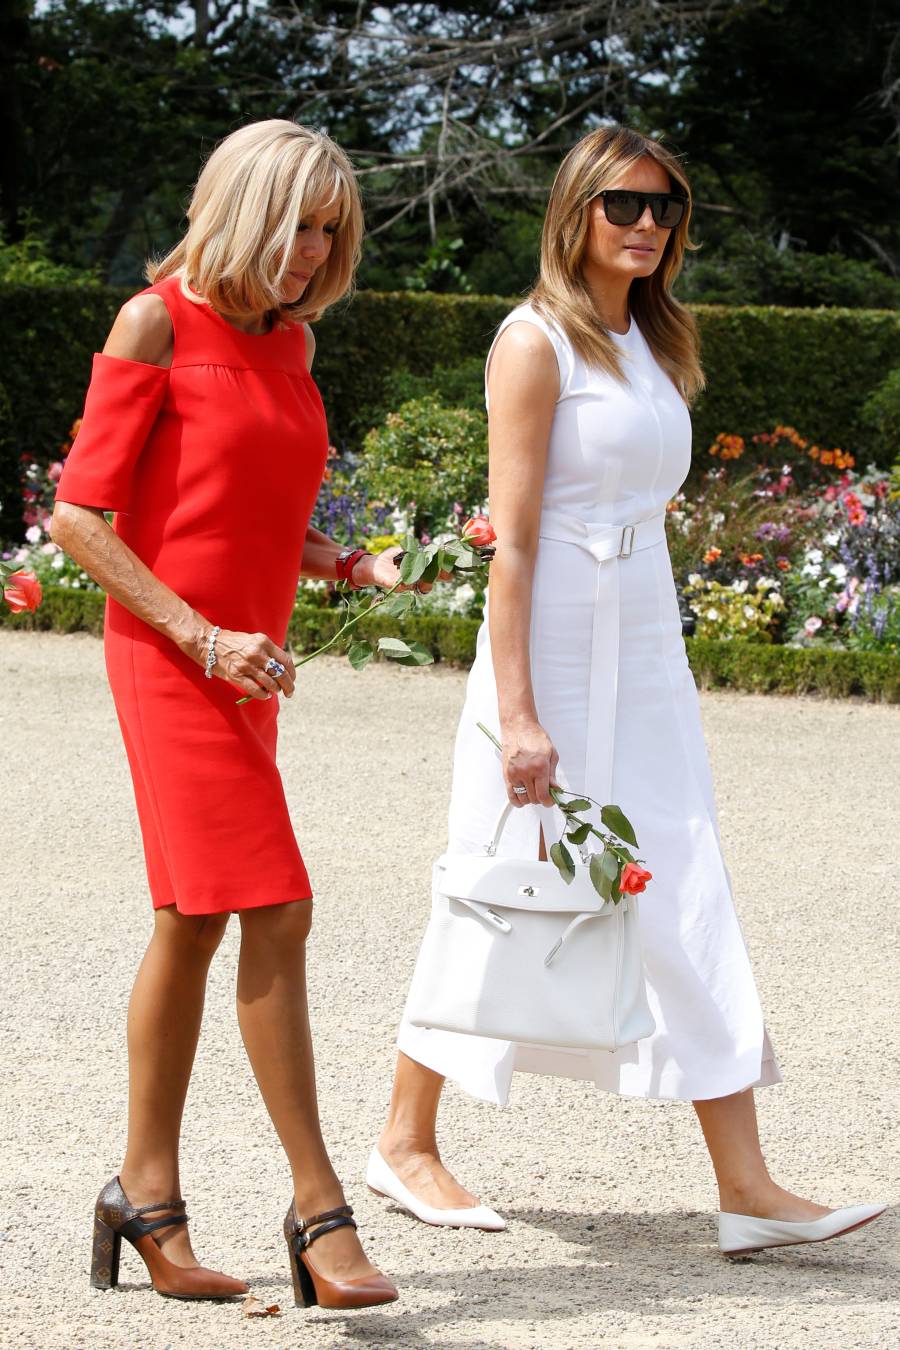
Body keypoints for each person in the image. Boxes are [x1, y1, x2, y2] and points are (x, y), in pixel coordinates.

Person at [368, 125, 886, 1256]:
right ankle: (404, 1142)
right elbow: (512, 543)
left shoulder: (651, 341)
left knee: (683, 875)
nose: (647, 223)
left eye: (664, 206)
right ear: (575, 213)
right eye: (623, 204)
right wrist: (517, 714)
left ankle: (745, 1185)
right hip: (547, 645)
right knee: (507, 879)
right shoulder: (532, 341)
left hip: (643, 645)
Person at [51, 119, 402, 1310]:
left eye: (328, 231)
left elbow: (239, 516)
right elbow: (81, 519)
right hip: (171, 659)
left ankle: (144, 1196)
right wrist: (200, 635)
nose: (309, 252)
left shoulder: (291, 349)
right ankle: (320, 1208)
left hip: (247, 670)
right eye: (296, 224)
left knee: (195, 922)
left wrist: (342, 564)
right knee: (278, 906)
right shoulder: (154, 321)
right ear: (239, 207)